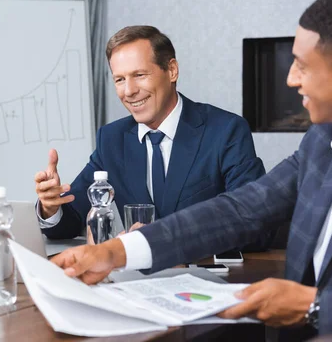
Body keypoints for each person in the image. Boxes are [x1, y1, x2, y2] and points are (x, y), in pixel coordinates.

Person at [51, 0, 332, 340]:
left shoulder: (225, 129)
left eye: (302, 65)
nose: (290, 79)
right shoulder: (322, 142)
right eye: (119, 79)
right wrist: (116, 253)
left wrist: (315, 308)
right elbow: (242, 209)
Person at [36, 25, 271, 251]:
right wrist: (50, 207)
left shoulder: (225, 131)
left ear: (171, 71)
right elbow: (71, 219)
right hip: (136, 283)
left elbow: (255, 222)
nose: (129, 91)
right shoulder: (112, 139)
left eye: (139, 75)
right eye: (120, 79)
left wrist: (167, 239)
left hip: (204, 279)